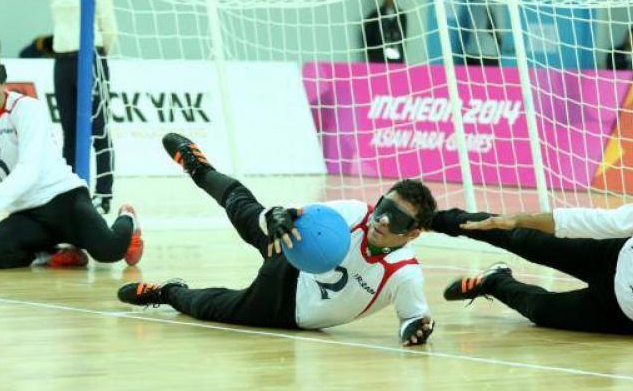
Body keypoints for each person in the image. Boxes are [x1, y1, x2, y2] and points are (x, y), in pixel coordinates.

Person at [117, 133, 436, 347]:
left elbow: (411, 319)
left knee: (206, 307)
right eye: (384, 208)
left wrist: (414, 331)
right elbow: (297, 215)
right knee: (246, 210)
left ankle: (169, 292)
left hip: (284, 311)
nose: (381, 219)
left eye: (396, 218)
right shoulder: (354, 213)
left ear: (413, 233)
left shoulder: (405, 274)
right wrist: (277, 217)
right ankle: (198, 167)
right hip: (291, 255)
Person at [0, 48, 143, 269]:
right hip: (27, 213)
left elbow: (29, 170)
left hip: (65, 199)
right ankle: (54, 254)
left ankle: (128, 219)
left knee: (110, 251)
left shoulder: (26, 109)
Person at [433, 193, 633, 336]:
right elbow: (588, 220)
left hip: (627, 321)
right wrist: (518, 220)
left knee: (539, 311)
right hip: (609, 258)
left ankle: (495, 281)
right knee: (521, 236)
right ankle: (432, 220)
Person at [50, 0, 117, 214]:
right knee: (70, 131)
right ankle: (72, 191)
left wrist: (98, 57)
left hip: (91, 58)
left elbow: (109, 27)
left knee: (98, 128)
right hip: (62, 60)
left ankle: (104, 193)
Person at [362, 0, 407, 64]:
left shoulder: (402, 16)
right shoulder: (374, 16)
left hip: (397, 61)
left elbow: (403, 39)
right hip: (378, 61)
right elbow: (368, 40)